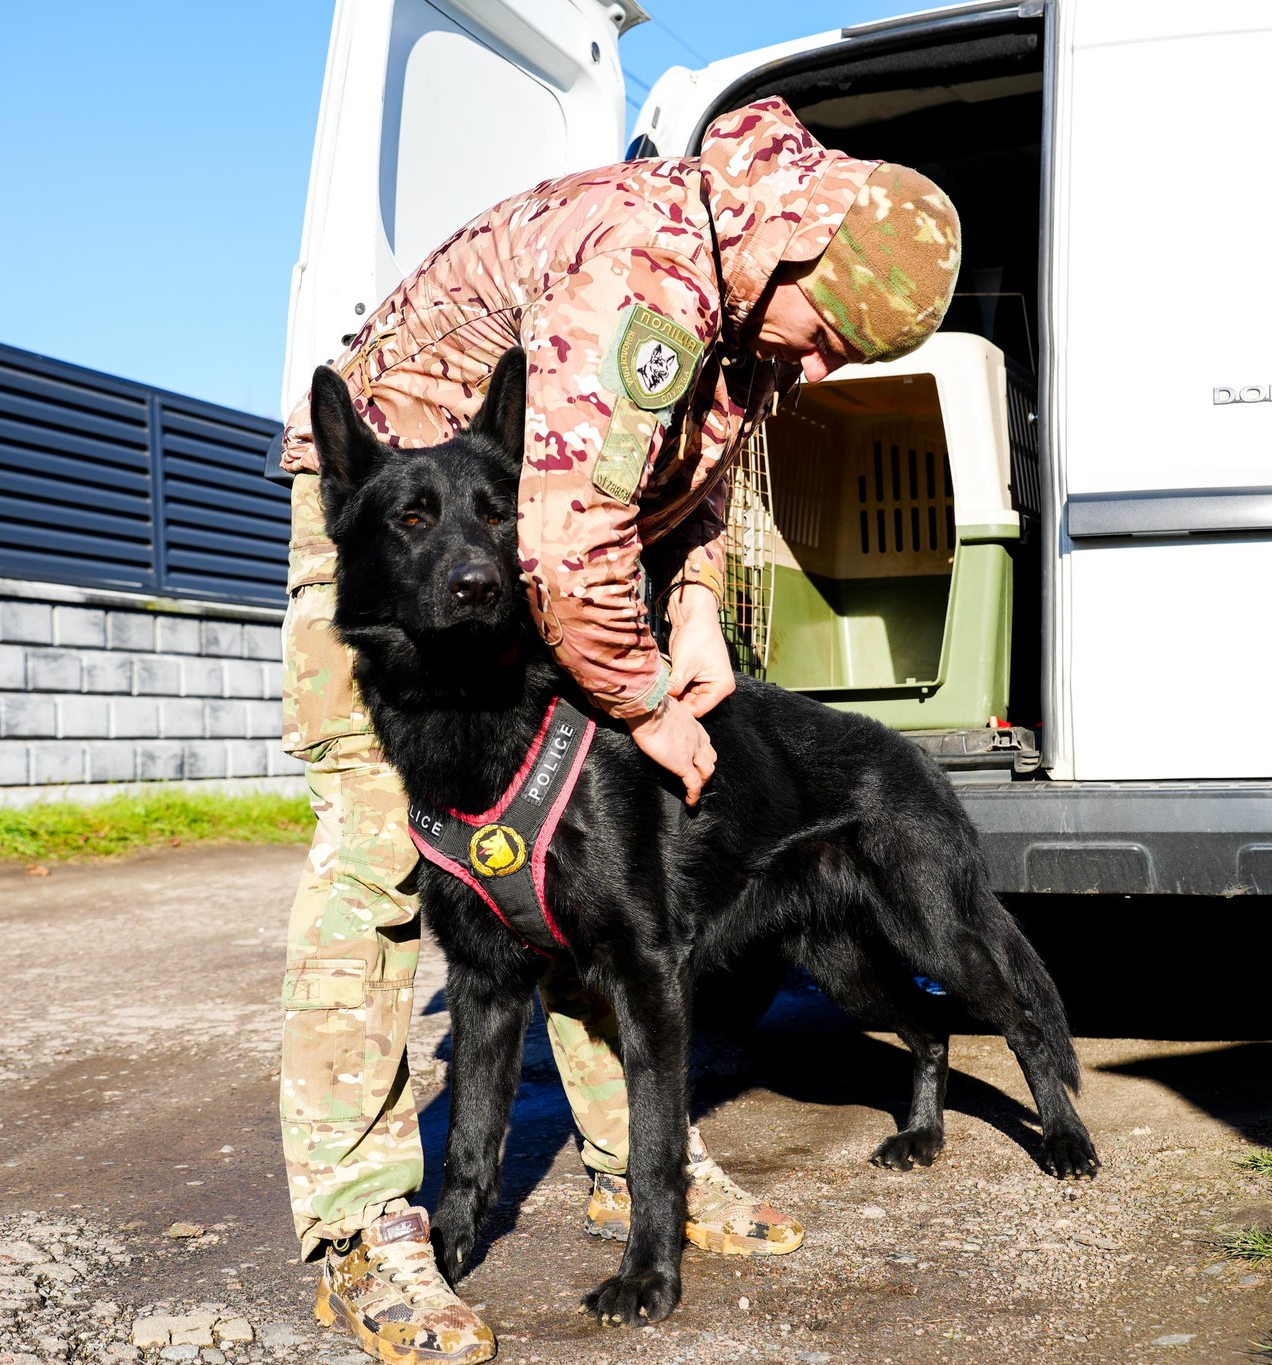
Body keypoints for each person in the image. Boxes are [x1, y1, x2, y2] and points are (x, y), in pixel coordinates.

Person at [275, 97, 962, 1365]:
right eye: (829, 338)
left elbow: (686, 485)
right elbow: (566, 536)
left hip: (530, 554)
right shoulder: (646, 271)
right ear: (799, 250)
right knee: (384, 860)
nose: (817, 369)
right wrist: (645, 701)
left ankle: (636, 1167)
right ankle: (362, 1227)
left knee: (598, 872)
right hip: (410, 534)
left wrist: (693, 614)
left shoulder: (745, 291)